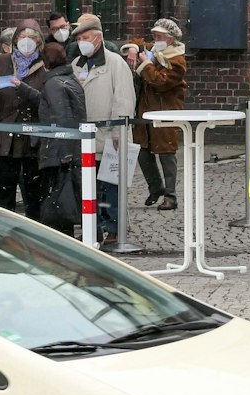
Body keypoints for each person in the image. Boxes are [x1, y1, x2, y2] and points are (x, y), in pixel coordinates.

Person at [70, 13, 137, 243]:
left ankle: (114, 228)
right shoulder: (76, 65)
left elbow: (124, 98)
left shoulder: (115, 63)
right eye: (79, 39)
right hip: (86, 137)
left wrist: (119, 130)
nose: (82, 43)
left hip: (109, 137)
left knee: (111, 186)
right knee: (89, 189)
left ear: (98, 38)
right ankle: (93, 227)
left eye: (85, 37)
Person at [0, 21, 49, 215]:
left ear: (39, 42)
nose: (27, 42)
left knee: (33, 193)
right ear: (15, 40)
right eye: (22, 37)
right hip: (4, 139)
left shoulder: (45, 65)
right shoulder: (1, 62)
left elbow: (47, 100)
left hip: (32, 141)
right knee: (1, 191)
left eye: (32, 38)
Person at [131, 18, 188, 211]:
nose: (155, 39)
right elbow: (138, 43)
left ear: (170, 39)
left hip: (166, 111)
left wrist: (146, 64)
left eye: (159, 36)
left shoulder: (177, 60)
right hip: (146, 110)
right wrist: (133, 48)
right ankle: (156, 188)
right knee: (142, 151)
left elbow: (160, 82)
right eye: (155, 36)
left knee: (166, 153)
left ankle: (170, 196)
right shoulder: (156, 51)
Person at [35, 42, 88, 232]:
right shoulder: (69, 79)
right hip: (71, 148)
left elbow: (60, 117)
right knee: (71, 196)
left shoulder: (52, 84)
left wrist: (64, 154)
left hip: (57, 152)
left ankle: (62, 239)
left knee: (57, 200)